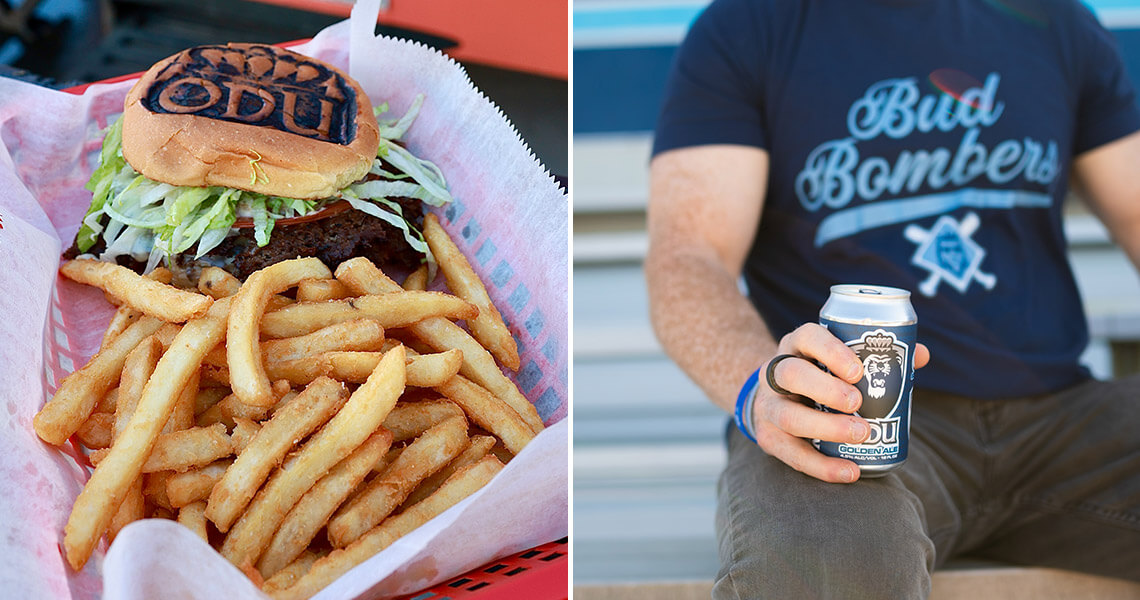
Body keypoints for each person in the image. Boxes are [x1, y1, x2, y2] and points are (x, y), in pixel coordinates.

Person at [644, 0, 1140, 597]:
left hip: (1067, 422)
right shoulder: (747, 26)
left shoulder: (1059, 20)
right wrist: (759, 389)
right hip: (843, 414)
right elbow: (688, 259)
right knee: (821, 567)